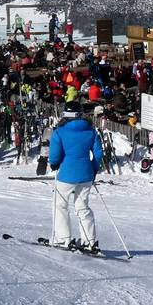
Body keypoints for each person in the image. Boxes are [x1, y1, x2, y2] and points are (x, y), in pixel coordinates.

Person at [49, 101, 103, 252]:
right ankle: (89, 241)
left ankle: (63, 238)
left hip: (66, 174)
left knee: (60, 204)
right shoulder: (91, 131)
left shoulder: (60, 131)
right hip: (86, 174)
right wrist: (94, 169)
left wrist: (54, 163)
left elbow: (55, 154)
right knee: (82, 207)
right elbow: (98, 154)